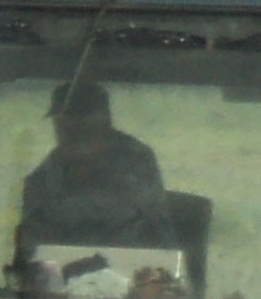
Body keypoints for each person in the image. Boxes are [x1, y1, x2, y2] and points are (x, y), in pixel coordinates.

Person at [18, 79, 176, 254]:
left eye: (81, 118)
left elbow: (137, 226)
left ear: (105, 119)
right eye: (63, 120)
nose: (70, 128)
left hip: (134, 269)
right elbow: (29, 234)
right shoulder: (51, 167)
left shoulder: (135, 157)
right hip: (65, 271)